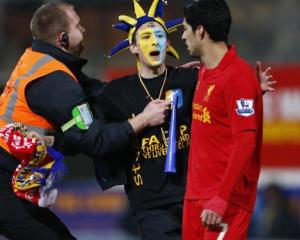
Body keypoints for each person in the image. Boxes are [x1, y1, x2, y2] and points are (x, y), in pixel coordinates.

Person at [81, 0, 274, 239]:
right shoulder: (116, 92)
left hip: (192, 196)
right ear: (132, 47)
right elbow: (95, 137)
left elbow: (228, 103)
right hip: (151, 203)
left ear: (168, 42)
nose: (154, 42)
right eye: (145, 37)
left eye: (160, 35)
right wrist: (141, 119)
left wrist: (253, 89)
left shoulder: (192, 77)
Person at [0, 2, 168, 240]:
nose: (85, 30)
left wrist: (169, 79)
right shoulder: (55, 82)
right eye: (78, 26)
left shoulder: (41, 59)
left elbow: (102, 93)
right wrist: (143, 119)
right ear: (63, 38)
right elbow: (96, 142)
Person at [181, 0, 264, 239]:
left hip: (224, 204)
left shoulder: (238, 77)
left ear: (200, 31)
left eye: (186, 29)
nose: (184, 37)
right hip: (196, 198)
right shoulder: (205, 71)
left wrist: (222, 199)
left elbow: (246, 142)